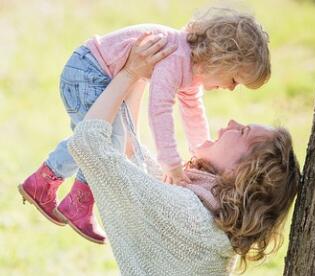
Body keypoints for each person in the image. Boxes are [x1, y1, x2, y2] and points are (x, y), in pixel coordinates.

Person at [18, 7, 271, 244]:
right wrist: (171, 164)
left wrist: (200, 151)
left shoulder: (191, 68)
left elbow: (193, 112)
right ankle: (73, 199)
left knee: (101, 138)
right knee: (102, 139)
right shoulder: (176, 57)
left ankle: (48, 185)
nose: (230, 88)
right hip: (87, 73)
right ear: (221, 59)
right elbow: (159, 110)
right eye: (235, 80)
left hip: (94, 74)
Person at [64, 31, 300, 275]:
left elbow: (89, 144)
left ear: (241, 171)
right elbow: (131, 154)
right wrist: (144, 75)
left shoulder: (189, 217)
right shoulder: (207, 213)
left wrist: (129, 74)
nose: (231, 122)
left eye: (242, 132)